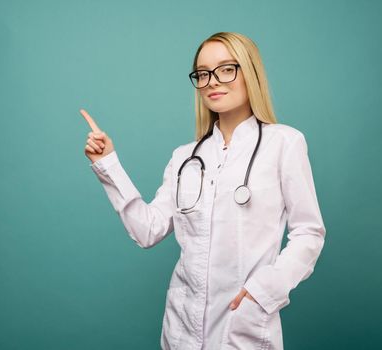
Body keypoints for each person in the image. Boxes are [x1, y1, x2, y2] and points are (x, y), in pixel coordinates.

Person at [81, 32, 326, 350]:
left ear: (249, 71)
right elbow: (148, 230)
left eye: (226, 69)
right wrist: (108, 165)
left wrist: (265, 290)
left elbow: (309, 232)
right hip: (181, 328)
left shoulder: (284, 143)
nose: (213, 81)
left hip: (244, 327)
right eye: (203, 73)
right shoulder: (186, 158)